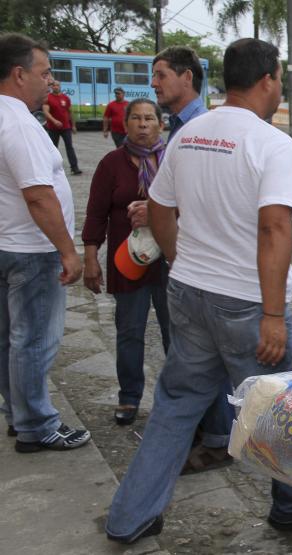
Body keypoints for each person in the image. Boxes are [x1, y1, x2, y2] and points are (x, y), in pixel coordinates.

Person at [105, 38, 292, 544]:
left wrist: (180, 258)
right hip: (247, 305)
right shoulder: (270, 142)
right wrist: (273, 314)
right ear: (270, 78)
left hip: (189, 293)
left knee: (176, 404)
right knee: (273, 409)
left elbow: (159, 207)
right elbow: (275, 228)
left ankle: (130, 516)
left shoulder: (190, 133)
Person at [0, 33, 88, 451]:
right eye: (44, 72)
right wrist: (68, 251)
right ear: (19, 74)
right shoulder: (18, 123)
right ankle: (37, 424)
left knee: (8, 338)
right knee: (33, 340)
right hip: (31, 251)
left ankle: (19, 411)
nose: (49, 82)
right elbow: (38, 194)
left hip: (5, 244)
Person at [152, 45, 234, 473]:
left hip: (203, 266)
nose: (154, 83)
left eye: (162, 74)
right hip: (191, 262)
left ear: (187, 77)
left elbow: (212, 200)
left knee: (204, 359)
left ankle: (221, 437)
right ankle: (214, 432)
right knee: (194, 356)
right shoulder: (180, 126)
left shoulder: (201, 128)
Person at [82, 98, 170, 426]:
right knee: (129, 331)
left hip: (169, 261)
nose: (143, 124)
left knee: (173, 331)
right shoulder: (111, 164)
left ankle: (174, 398)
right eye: (136, 118)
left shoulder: (171, 160)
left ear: (160, 124)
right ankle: (129, 397)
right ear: (126, 123)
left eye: (149, 118)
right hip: (127, 261)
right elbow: (95, 213)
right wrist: (91, 258)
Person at [152, 46, 207, 139]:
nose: (153, 83)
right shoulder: (178, 122)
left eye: (161, 76)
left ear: (187, 77)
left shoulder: (204, 127)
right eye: (153, 76)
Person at [42, 80, 81, 175]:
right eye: (54, 85)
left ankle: (74, 168)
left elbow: (70, 112)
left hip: (66, 128)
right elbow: (45, 112)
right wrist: (54, 121)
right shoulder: (48, 98)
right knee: (53, 148)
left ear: (60, 86)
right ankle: (50, 168)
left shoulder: (65, 98)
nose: (56, 87)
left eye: (58, 85)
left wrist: (74, 126)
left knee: (69, 147)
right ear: (51, 87)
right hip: (53, 128)